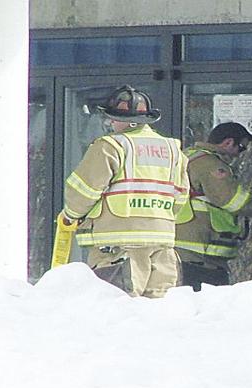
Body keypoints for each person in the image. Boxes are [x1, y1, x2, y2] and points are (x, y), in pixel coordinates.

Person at [60, 85, 189, 298]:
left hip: (119, 246)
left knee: (116, 311)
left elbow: (84, 190)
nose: (110, 123)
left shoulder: (111, 146)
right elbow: (180, 196)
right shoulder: (173, 149)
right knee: (157, 313)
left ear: (127, 121)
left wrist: (71, 216)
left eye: (112, 118)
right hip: (162, 242)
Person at [175, 122, 252, 290]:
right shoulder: (210, 164)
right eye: (241, 147)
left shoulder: (187, 156)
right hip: (200, 255)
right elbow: (233, 200)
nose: (240, 154)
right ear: (228, 142)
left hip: (182, 250)